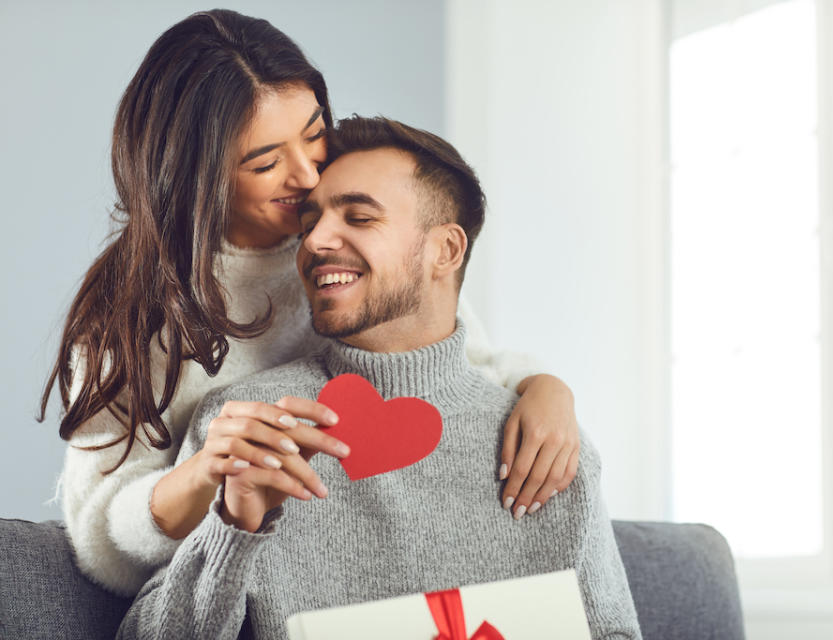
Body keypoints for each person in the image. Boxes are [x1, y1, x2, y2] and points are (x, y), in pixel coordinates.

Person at [41, 10, 580, 598]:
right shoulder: (134, 313)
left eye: (315, 131)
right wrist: (205, 474)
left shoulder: (354, 248)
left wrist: (545, 388)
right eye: (265, 162)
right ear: (197, 175)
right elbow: (99, 539)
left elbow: (457, 365)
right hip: (232, 582)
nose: (307, 172)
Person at [119, 115, 641, 640]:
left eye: (360, 218)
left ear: (447, 251)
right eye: (309, 223)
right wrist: (235, 526)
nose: (316, 240)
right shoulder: (249, 427)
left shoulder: (547, 444)